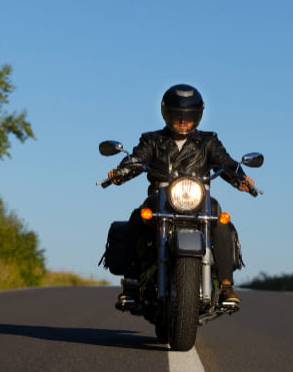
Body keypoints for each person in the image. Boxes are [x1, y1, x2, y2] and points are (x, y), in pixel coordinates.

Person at [107, 83, 256, 309]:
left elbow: (225, 162)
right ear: (167, 114)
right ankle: (132, 284)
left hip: (199, 201)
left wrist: (241, 177)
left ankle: (226, 286)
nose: (183, 121)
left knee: (221, 219)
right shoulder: (152, 140)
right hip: (162, 200)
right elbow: (137, 159)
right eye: (178, 116)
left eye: (189, 116)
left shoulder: (208, 141)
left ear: (198, 116)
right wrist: (122, 172)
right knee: (138, 218)